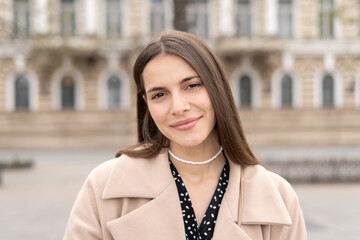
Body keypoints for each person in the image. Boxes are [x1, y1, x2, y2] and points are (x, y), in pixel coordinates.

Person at [63, 31, 307, 240]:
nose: (178, 107)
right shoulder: (103, 187)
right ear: (146, 103)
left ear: (216, 87)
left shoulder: (278, 197)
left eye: (192, 85)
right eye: (159, 94)